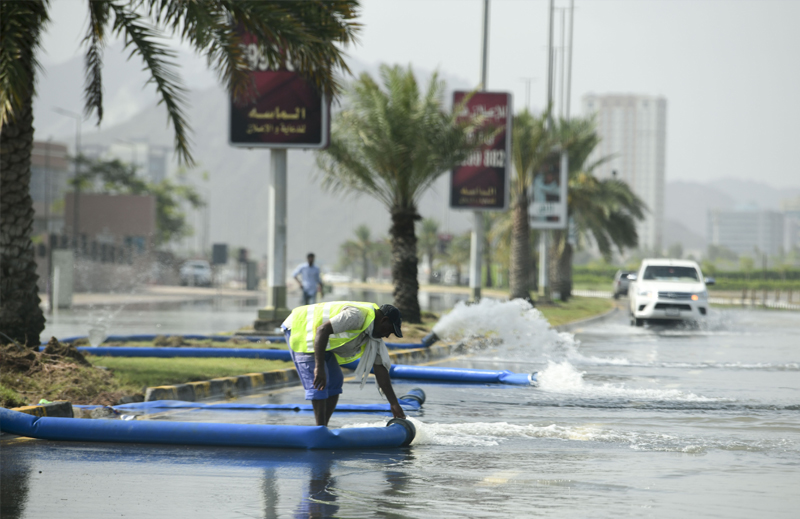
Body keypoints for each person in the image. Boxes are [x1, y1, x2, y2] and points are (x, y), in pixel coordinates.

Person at [282, 301, 407, 426]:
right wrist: (318, 367)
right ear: (384, 320)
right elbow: (322, 330)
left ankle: (323, 428)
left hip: (321, 339)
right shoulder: (356, 316)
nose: (387, 336)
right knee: (319, 383)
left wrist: (394, 403)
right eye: (390, 330)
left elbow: (380, 369)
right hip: (300, 329)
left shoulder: (374, 336)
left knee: (335, 381)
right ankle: (320, 430)